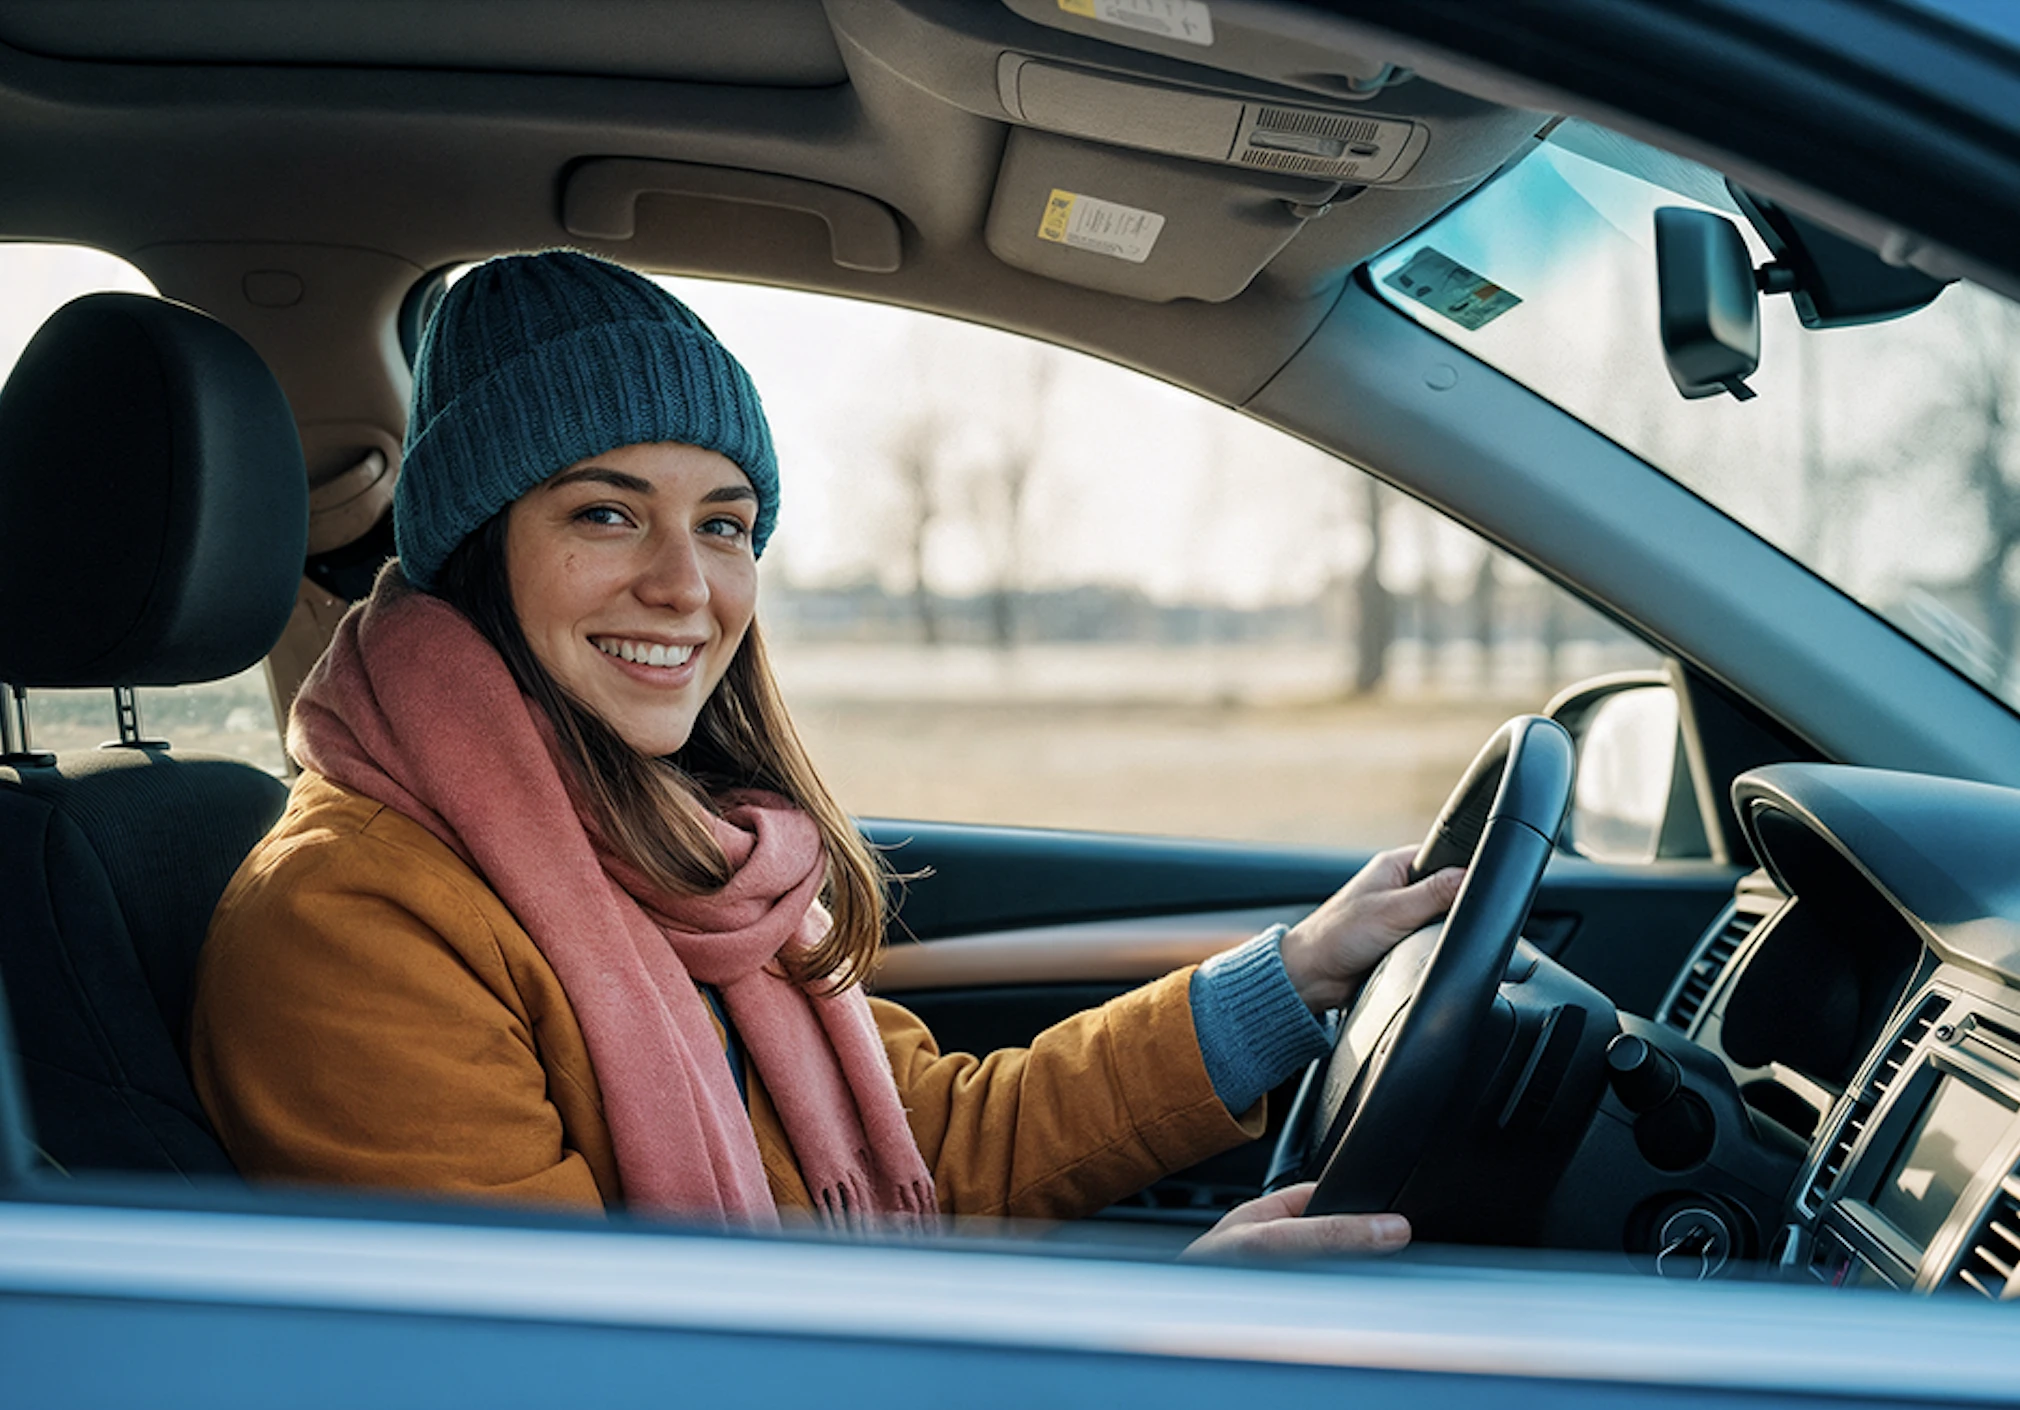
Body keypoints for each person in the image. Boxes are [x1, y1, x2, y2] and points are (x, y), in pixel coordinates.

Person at [191, 250, 1463, 1256]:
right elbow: (567, 1365)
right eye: (604, 513)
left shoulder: (688, 838)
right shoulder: (348, 917)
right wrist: (1162, 1349)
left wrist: (1296, 977)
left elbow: (938, 1144)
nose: (686, 585)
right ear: (477, 549)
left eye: (726, 524)